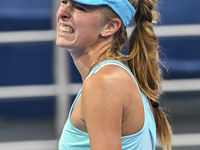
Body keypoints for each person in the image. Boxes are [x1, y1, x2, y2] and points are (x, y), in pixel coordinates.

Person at [56, 0, 172, 150]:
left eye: (80, 8)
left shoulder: (104, 83)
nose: (63, 12)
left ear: (110, 26)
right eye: (64, 1)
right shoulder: (113, 77)